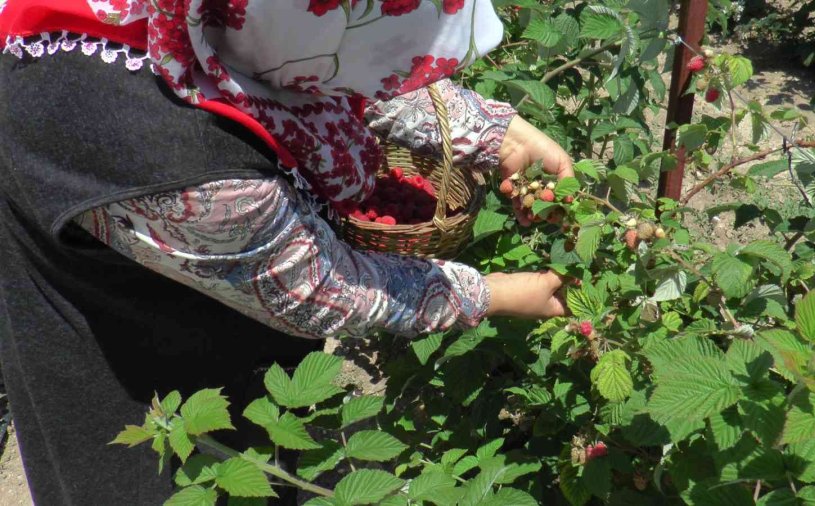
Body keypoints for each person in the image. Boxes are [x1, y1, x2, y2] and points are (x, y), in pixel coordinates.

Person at [0, 0, 570, 503]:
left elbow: (322, 54)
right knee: (185, 474)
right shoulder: (164, 153)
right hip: (138, 371)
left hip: (193, 291)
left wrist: (497, 133)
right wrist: (494, 293)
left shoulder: (218, 16)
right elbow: (320, 289)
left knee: (252, 429)